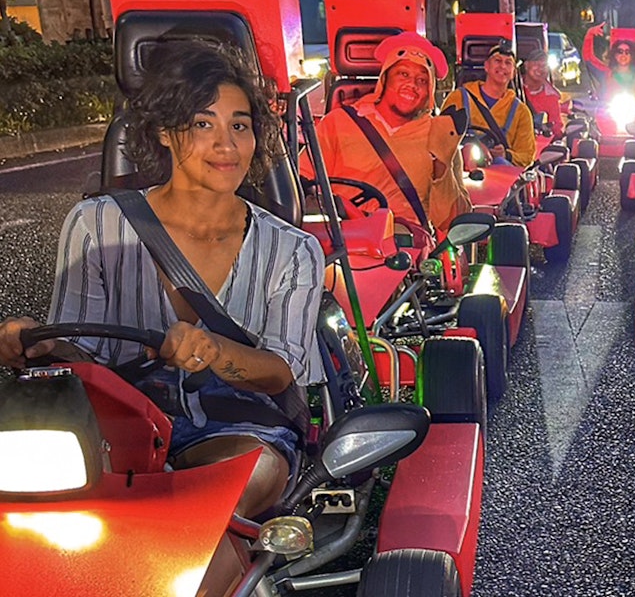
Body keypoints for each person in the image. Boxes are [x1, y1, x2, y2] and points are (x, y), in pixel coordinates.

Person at [0, 41, 326, 520]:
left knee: (214, 503)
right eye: (203, 124)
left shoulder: (294, 249)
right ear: (164, 132)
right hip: (116, 420)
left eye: (239, 126)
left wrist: (214, 351)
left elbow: (282, 371)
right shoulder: (96, 224)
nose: (227, 145)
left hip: (239, 425)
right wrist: (39, 344)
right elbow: (79, 355)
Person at [300, 31, 470, 241]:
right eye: (403, 74)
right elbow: (302, 186)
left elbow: (452, 223)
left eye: (422, 80)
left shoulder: (441, 136)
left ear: (430, 91)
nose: (412, 85)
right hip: (341, 243)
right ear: (384, 78)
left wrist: (442, 161)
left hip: (405, 247)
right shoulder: (336, 123)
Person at [440, 42, 536, 167]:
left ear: (513, 72)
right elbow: (439, 137)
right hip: (461, 168)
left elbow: (527, 156)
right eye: (497, 61)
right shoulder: (458, 98)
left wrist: (506, 155)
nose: (502, 66)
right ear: (486, 66)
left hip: (498, 174)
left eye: (508, 63)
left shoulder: (521, 112)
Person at [581, 23, 635, 99]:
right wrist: (589, 35)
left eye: (627, 52)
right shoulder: (605, 74)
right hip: (608, 110)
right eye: (620, 51)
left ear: (633, 55)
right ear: (614, 54)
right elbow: (588, 59)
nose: (623, 55)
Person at [520, 47, 568, 138]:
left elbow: (556, 128)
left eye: (544, 65)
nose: (540, 69)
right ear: (526, 65)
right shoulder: (512, 87)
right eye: (536, 64)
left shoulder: (551, 97)